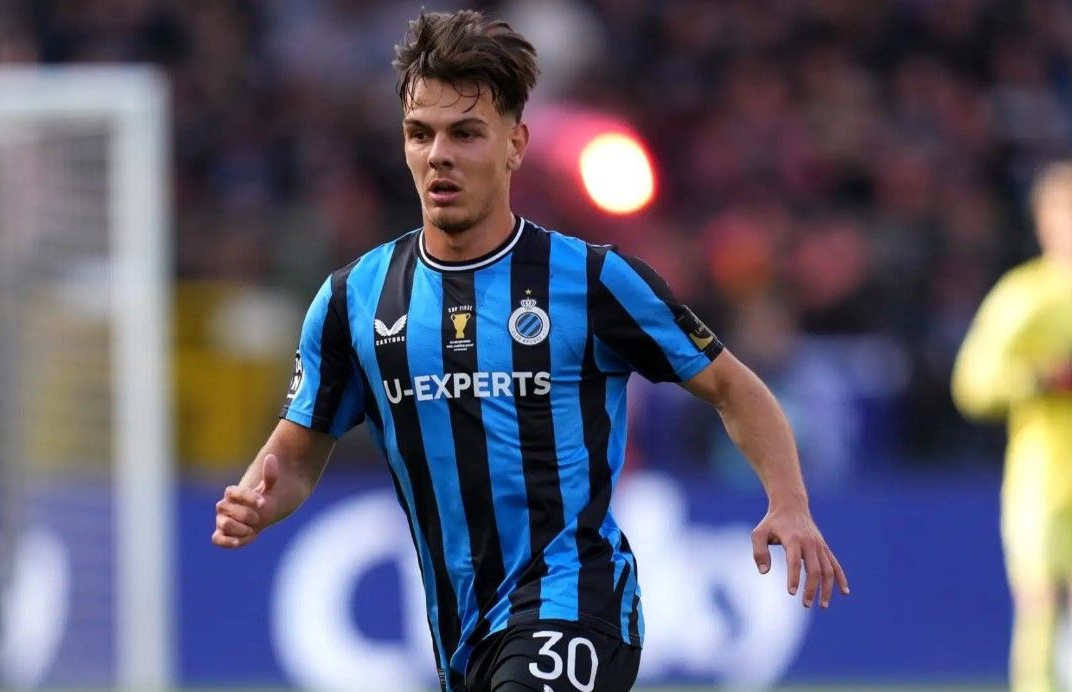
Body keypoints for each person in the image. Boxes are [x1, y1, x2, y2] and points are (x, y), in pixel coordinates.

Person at [213, 9, 848, 691]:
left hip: (579, 603)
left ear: (515, 143)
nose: (439, 154)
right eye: (420, 133)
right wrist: (258, 500)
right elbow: (295, 456)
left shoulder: (592, 281)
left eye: (465, 133)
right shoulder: (353, 300)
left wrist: (788, 501)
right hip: (462, 632)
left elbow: (731, 386)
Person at [953, 160, 1072, 692]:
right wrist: (1043, 378)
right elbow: (973, 383)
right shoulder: (1024, 296)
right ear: (1046, 226)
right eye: (1070, 220)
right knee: (1041, 600)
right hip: (1043, 479)